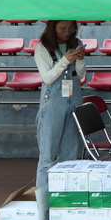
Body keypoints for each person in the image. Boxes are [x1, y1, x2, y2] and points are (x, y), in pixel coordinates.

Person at [34, 20, 86, 188]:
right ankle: (43, 195)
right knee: (48, 154)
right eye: (62, 29)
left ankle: (66, 194)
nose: (67, 32)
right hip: (53, 102)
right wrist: (64, 60)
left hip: (74, 99)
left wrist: (80, 60)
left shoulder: (76, 43)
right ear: (52, 28)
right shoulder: (42, 47)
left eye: (71, 29)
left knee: (71, 152)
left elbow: (80, 75)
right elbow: (47, 78)